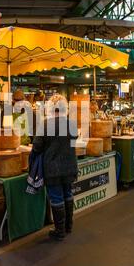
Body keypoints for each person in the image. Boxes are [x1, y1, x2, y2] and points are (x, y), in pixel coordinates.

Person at [32, 95, 78, 241]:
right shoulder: (71, 123)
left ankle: (59, 231)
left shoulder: (45, 125)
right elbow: (74, 138)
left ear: (50, 108)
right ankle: (68, 226)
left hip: (53, 168)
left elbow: (37, 147)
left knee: (56, 197)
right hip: (70, 166)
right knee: (68, 194)